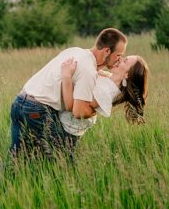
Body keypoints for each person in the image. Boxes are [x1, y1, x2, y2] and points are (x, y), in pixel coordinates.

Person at [9, 28, 127, 159]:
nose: (119, 59)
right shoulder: (88, 71)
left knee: (18, 158)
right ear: (106, 51)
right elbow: (77, 111)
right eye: (118, 55)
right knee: (63, 160)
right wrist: (95, 111)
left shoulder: (74, 51)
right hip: (38, 110)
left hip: (19, 102)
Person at [59, 54, 149, 138]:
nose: (120, 59)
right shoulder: (109, 78)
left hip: (64, 130)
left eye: (125, 61)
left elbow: (73, 106)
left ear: (127, 75)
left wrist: (66, 77)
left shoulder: (106, 93)